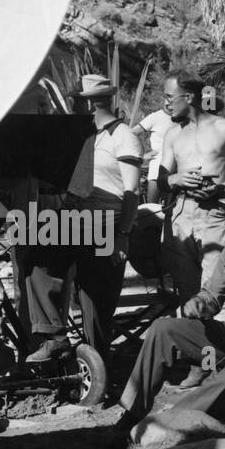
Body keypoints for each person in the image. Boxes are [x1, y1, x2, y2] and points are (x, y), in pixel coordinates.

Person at [111, 179, 225, 441]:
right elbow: (212, 297)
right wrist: (199, 304)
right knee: (163, 328)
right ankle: (133, 413)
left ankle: (163, 427)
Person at [20, 74, 141, 366]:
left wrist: (122, 234)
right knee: (37, 259)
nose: (72, 106)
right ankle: (55, 337)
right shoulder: (80, 137)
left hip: (106, 224)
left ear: (88, 103)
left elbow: (132, 191)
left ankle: (98, 367)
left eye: (76, 101)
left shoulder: (122, 135)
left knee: (96, 304)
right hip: (76, 221)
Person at [158, 72, 225, 387]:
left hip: (214, 214)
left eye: (170, 96)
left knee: (217, 291)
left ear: (189, 97)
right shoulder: (172, 135)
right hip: (181, 216)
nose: (165, 102)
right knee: (187, 292)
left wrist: (223, 188)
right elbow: (162, 179)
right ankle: (198, 364)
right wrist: (176, 180)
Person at [134, 101, 176, 204]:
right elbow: (131, 133)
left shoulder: (183, 117)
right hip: (157, 168)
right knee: (152, 207)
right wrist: (141, 156)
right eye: (167, 99)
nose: (169, 103)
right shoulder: (155, 117)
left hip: (176, 169)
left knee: (170, 209)